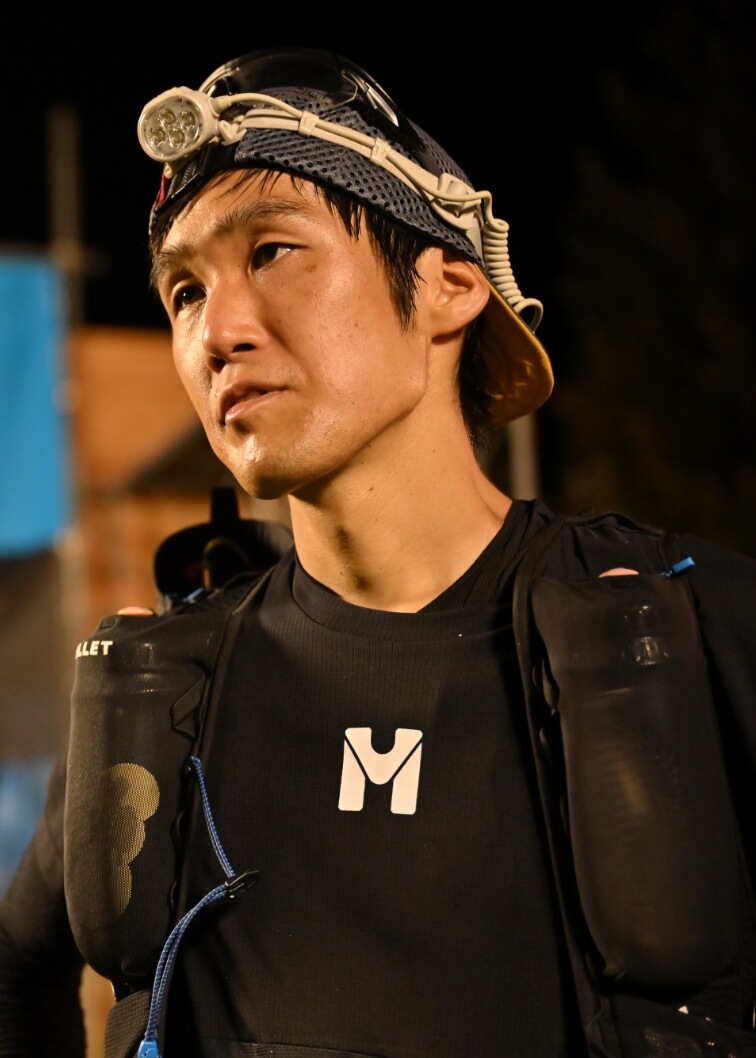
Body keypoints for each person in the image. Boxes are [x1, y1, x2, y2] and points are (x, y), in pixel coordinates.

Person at [1, 45, 756, 1058]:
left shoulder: (689, 627)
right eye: (183, 292)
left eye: (273, 250)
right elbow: (16, 975)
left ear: (450, 286)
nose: (218, 330)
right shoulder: (167, 693)